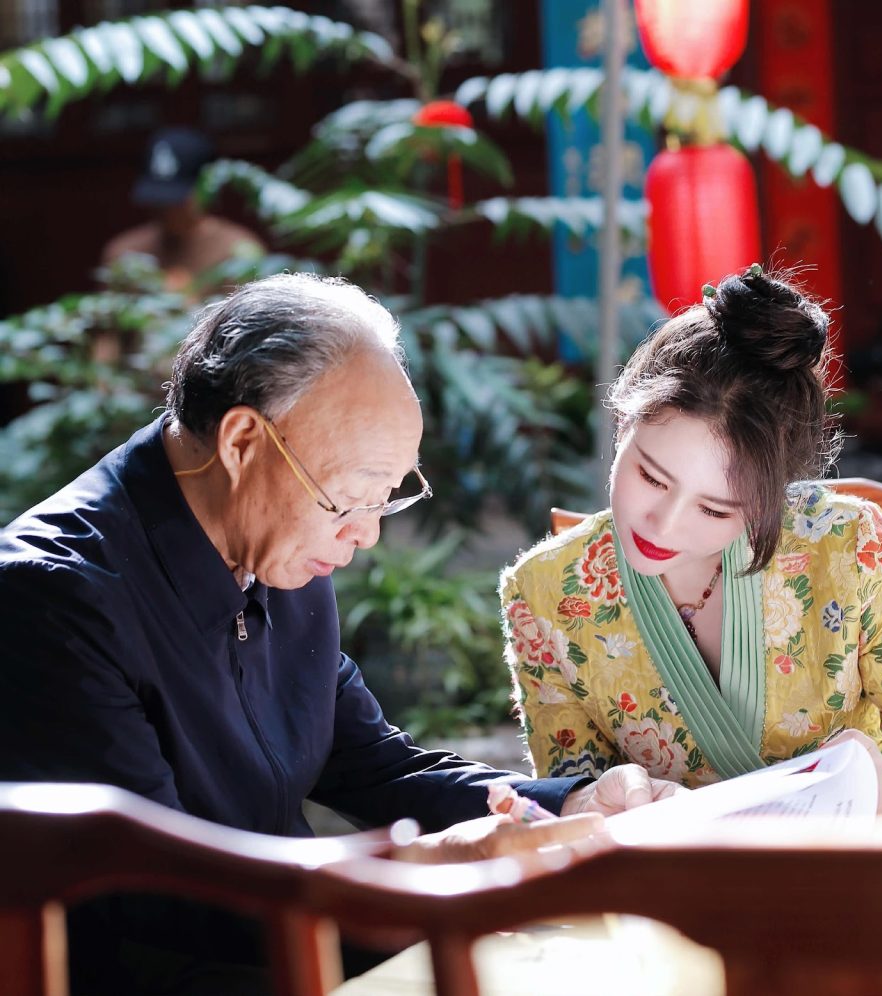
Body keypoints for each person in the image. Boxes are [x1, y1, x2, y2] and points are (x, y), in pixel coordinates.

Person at [0, 273, 675, 995]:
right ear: (243, 441)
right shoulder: (53, 595)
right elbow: (153, 896)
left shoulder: (271, 534)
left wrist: (563, 805)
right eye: (351, 497)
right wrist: (414, 873)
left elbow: (370, 763)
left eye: (385, 499)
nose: (367, 534)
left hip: (309, 945)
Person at [502, 264, 882, 815]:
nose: (664, 523)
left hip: (854, 871)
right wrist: (608, 798)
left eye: (713, 507)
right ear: (623, 423)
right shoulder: (544, 591)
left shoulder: (847, 550)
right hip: (679, 887)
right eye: (650, 477)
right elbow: (570, 797)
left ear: (768, 500)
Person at [100, 126, 265, 294]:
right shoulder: (124, 253)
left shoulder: (237, 251)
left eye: (176, 201)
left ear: (205, 188)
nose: (165, 209)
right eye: (157, 198)